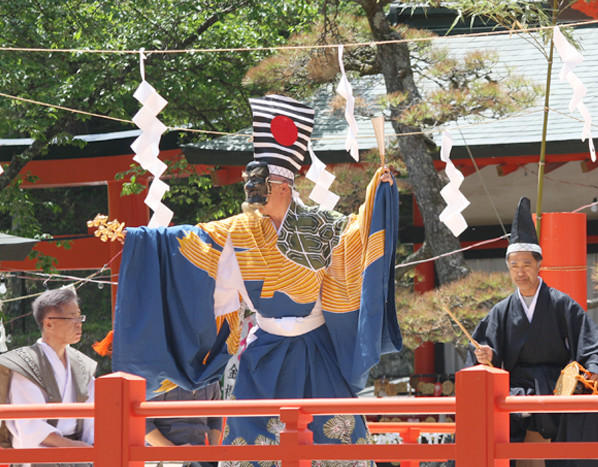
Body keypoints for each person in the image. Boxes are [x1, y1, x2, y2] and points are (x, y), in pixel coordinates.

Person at [112, 94, 401, 467]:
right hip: (264, 351)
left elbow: (357, 238)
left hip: (317, 349)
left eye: (258, 184)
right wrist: (139, 239)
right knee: (251, 441)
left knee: (333, 441)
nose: (251, 194)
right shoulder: (241, 229)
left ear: (283, 186)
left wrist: (378, 194)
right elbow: (191, 242)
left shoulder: (323, 226)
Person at [468, 197, 598, 467]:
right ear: (508, 267)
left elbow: (594, 343)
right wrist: (488, 356)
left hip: (558, 385)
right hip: (517, 388)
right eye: (514, 265)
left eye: (526, 265)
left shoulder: (560, 303)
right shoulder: (502, 310)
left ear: (539, 265)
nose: (520, 272)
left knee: (584, 411)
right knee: (484, 414)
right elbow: (485, 350)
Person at [0, 286, 96, 467]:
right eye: (72, 317)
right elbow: (31, 426)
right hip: (41, 456)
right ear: (49, 323)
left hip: (81, 452)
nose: (79, 323)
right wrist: (74, 447)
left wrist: (89, 448)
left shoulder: (82, 364)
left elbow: (92, 418)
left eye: (79, 316)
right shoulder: (25, 365)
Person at [145, 382, 222, 467]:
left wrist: (213, 451)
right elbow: (144, 424)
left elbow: (215, 418)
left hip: (200, 453)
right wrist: (174, 452)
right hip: (164, 455)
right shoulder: (163, 379)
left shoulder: (211, 381)